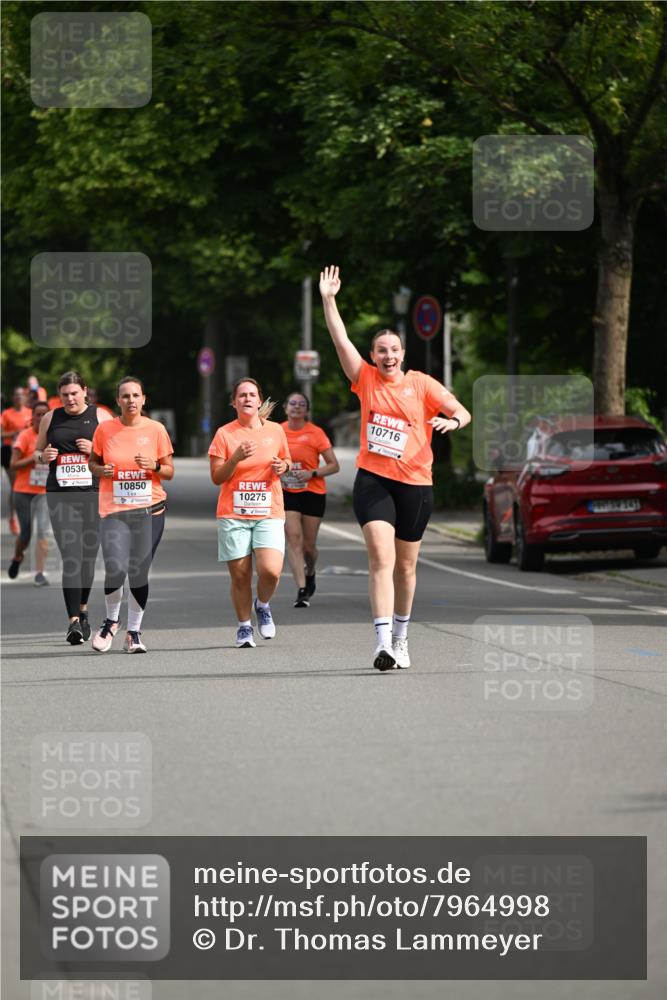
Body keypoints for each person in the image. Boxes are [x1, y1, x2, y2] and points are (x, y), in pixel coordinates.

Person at [320, 265, 472, 671]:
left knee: (406, 567)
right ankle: (383, 643)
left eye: (394, 350)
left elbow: (462, 411)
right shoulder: (365, 379)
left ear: (403, 354)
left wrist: (450, 421)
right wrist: (328, 300)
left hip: (417, 484)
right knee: (380, 559)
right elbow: (340, 340)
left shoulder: (422, 384)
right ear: (373, 356)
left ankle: (403, 639)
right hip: (374, 481)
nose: (388, 356)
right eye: (381, 350)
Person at [88, 377, 174, 654]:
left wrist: (155, 465)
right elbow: (92, 463)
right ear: (118, 401)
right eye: (125, 396)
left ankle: (134, 632)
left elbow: (169, 472)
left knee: (138, 571)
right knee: (115, 566)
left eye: (136, 395)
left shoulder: (156, 430)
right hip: (114, 510)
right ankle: (111, 621)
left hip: (150, 510)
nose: (131, 400)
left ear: (144, 399)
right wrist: (100, 471)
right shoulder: (105, 430)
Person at [209, 378, 291, 648]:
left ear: (259, 401)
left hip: (269, 510)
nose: (247, 399)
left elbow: (287, 460)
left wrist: (283, 467)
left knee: (271, 571)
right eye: (241, 395)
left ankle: (263, 604)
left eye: (252, 395)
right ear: (233, 402)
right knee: (241, 575)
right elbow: (217, 477)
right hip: (234, 513)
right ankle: (244, 627)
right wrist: (235, 458)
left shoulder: (276, 431)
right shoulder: (225, 434)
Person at [34, 371, 113, 644]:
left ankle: (83, 609)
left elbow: (117, 452)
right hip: (60, 495)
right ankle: (73, 623)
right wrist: (43, 456)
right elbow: (36, 451)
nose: (69, 398)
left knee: (88, 557)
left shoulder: (101, 417)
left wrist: (94, 449)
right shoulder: (50, 418)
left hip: (93, 494)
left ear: (85, 392)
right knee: (71, 555)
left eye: (74, 393)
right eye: (65, 394)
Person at [280, 392, 340, 607]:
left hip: (312, 492)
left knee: (308, 547)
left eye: (301, 404)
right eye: (292, 403)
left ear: (307, 410)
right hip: (287, 491)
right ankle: (302, 589)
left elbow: (334, 465)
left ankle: (311, 570)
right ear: (285, 408)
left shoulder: (316, 433)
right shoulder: (278, 431)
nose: (297, 407)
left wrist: (312, 473)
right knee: (293, 538)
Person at [7, 401, 51, 584]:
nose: (41, 418)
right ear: (32, 416)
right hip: (23, 491)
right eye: (38, 414)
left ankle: (40, 573)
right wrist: (35, 458)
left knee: (42, 531)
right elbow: (13, 464)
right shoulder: (25, 436)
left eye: (44, 414)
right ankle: (18, 557)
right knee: (26, 532)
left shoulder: (54, 437)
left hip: (44, 493)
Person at [1, 387, 32, 535]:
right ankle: (14, 517)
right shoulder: (7, 414)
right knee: (15, 486)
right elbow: (1, 433)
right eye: (16, 395)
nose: (19, 397)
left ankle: (25, 515)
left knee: (27, 484)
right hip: (9, 450)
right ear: (13, 398)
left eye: (22, 395)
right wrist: (15, 433)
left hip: (27, 451)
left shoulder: (30, 413)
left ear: (25, 398)